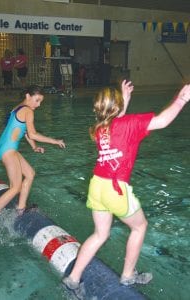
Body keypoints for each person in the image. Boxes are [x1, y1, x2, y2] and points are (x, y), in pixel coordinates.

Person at [62, 80, 190, 296]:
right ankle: (128, 275)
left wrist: (124, 100)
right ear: (117, 107)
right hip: (115, 189)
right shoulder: (130, 123)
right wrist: (182, 99)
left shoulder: (100, 128)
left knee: (99, 234)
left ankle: (73, 278)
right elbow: (162, 121)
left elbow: (117, 123)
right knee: (140, 226)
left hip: (97, 186)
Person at [0, 85, 65, 233]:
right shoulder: (28, 111)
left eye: (40, 102)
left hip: (4, 147)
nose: (38, 105)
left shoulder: (18, 108)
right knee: (15, 187)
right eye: (37, 100)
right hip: (8, 150)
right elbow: (33, 134)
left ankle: (21, 208)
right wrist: (54, 141)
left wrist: (34, 147)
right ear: (28, 96)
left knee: (30, 174)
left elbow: (23, 132)